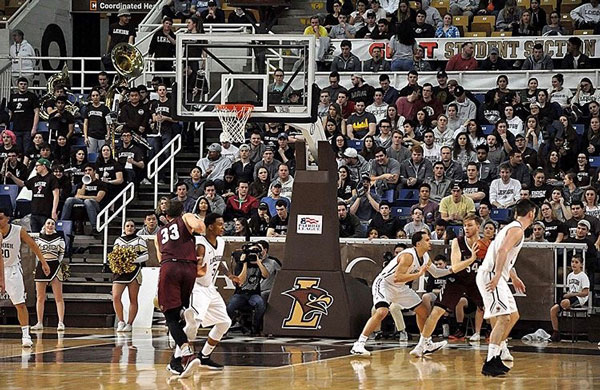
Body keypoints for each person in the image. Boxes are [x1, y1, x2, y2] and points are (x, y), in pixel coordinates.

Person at [351, 231, 450, 356]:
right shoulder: (408, 256)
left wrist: (453, 269)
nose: (430, 242)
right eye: (427, 240)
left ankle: (426, 343)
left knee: (423, 311)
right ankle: (359, 344)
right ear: (418, 243)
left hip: (400, 287)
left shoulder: (425, 257)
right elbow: (398, 277)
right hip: (384, 284)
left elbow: (436, 272)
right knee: (382, 311)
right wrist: (418, 274)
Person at [476, 199, 537, 376]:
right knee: (503, 317)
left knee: (513, 315)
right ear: (531, 213)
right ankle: (490, 361)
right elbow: (502, 251)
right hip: (491, 275)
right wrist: (496, 275)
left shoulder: (512, 227)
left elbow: (506, 255)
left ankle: (497, 355)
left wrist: (514, 277)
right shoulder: (516, 230)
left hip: (500, 276)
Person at [410, 215, 483, 357]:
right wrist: (472, 259)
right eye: (465, 225)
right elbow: (455, 266)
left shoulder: (486, 244)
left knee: (493, 309)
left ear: (478, 227)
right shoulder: (458, 241)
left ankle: (500, 346)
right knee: (437, 311)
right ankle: (421, 345)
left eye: (470, 225)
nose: (466, 228)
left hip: (477, 281)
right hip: (458, 280)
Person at [155, 200, 205, 377]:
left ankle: (185, 351)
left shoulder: (159, 233)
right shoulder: (186, 217)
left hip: (170, 266)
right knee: (179, 314)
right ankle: (175, 362)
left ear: (166, 216)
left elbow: (161, 257)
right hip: (189, 268)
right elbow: (200, 227)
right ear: (182, 210)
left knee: (170, 316)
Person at [179, 212, 230, 370]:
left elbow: (218, 260)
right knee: (194, 323)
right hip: (197, 287)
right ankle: (179, 359)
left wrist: (229, 274)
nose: (223, 227)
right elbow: (198, 258)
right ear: (210, 227)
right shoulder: (200, 243)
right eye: (220, 224)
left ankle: (204, 356)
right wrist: (198, 266)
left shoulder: (221, 242)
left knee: (224, 322)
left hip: (210, 288)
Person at [0, 208, 49, 347]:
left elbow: (33, 245)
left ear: (8, 218)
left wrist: (43, 262)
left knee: (20, 304)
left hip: (12, 269)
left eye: (1, 218)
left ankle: (26, 335)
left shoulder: (18, 230)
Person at [111, 220, 148, 332]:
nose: (130, 228)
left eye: (132, 226)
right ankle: (121, 321)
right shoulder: (118, 240)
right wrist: (121, 262)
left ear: (135, 228)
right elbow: (114, 255)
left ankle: (130, 323)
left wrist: (132, 260)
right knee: (116, 297)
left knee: (133, 299)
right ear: (124, 228)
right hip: (120, 272)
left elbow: (146, 256)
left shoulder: (139, 240)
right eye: (127, 226)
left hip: (134, 272)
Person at [226, 241, 271, 335]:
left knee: (260, 304)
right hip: (241, 294)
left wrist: (258, 262)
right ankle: (226, 326)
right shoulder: (240, 265)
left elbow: (266, 275)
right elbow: (240, 282)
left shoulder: (259, 265)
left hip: (254, 294)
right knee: (230, 306)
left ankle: (255, 328)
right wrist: (245, 263)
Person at [30, 218, 66, 332]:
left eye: (52, 224)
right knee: (40, 297)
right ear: (44, 225)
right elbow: (36, 254)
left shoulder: (59, 239)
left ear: (55, 226)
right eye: (48, 223)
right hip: (41, 266)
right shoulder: (38, 239)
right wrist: (42, 264)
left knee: (58, 297)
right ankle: (39, 322)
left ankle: (60, 322)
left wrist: (57, 264)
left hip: (55, 266)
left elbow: (61, 254)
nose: (50, 225)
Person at [549, 254, 589, 342]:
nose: (573, 264)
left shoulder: (583, 276)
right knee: (553, 310)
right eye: (572, 262)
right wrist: (568, 294)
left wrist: (572, 295)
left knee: (565, 302)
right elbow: (569, 290)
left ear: (581, 265)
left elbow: (586, 293)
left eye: (576, 262)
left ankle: (566, 309)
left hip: (579, 299)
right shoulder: (570, 275)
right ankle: (556, 333)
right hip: (570, 298)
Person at [61, 164, 107, 235]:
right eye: (85, 171)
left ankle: (95, 227)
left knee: (87, 201)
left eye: (89, 170)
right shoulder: (81, 183)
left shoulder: (101, 184)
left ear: (94, 171)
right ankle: (62, 224)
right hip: (84, 202)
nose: (87, 172)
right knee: (69, 200)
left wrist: (84, 197)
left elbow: (98, 198)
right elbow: (77, 195)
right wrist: (85, 184)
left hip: (96, 205)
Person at [8, 77, 39, 153]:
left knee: (27, 151)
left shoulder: (32, 96)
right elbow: (10, 113)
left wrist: (34, 128)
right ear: (17, 85)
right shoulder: (13, 97)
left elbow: (37, 112)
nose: (23, 86)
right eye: (21, 84)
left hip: (28, 129)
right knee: (17, 151)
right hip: (16, 128)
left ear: (27, 86)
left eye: (25, 84)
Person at [83, 88, 110, 154]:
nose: (95, 97)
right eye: (93, 96)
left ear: (100, 96)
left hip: (102, 136)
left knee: (103, 155)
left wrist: (108, 134)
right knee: (91, 155)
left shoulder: (105, 109)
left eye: (97, 95)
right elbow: (85, 124)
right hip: (91, 136)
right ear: (91, 97)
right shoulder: (88, 109)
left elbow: (108, 123)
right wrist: (86, 137)